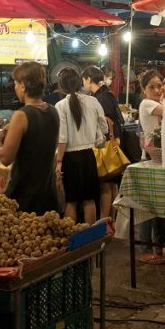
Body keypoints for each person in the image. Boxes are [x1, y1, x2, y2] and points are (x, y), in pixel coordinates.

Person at [0, 62, 59, 214]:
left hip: (25, 195)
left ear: (23, 86)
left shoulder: (21, 115)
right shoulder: (53, 111)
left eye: (16, 83)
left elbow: (5, 158)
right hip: (48, 192)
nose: (15, 88)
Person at [55, 68, 107, 224]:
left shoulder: (60, 105)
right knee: (89, 200)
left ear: (61, 87)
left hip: (70, 159)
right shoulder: (93, 101)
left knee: (71, 201)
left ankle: (73, 238)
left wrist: (59, 161)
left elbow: (62, 138)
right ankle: (91, 240)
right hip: (88, 156)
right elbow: (104, 126)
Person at [137, 70, 165, 264]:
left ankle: (159, 247)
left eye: (159, 85)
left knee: (161, 207)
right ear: (144, 90)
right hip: (150, 160)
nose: (157, 89)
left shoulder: (158, 103)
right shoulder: (146, 103)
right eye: (152, 86)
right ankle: (145, 250)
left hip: (162, 159)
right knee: (148, 208)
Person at [83, 65, 124, 219]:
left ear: (88, 79)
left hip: (107, 143)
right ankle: (112, 219)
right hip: (112, 142)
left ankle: (104, 220)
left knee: (104, 185)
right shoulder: (107, 94)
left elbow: (108, 121)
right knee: (112, 183)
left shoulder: (101, 97)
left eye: (84, 80)